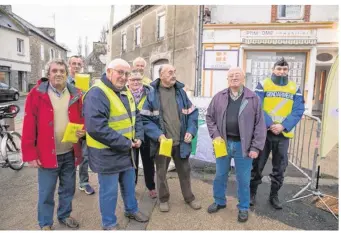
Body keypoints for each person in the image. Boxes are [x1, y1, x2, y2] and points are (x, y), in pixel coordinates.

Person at [83, 58, 149, 230]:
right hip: (107, 153)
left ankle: (131, 210)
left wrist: (139, 137)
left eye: (126, 73)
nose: (124, 76)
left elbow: (136, 117)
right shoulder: (97, 93)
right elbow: (96, 128)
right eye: (120, 72)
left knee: (129, 185)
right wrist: (126, 143)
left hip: (126, 150)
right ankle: (109, 223)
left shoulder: (125, 91)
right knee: (109, 192)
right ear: (109, 72)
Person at [22, 59, 84, 230]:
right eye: (54, 70)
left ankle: (64, 215)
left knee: (68, 189)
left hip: (70, 152)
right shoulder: (36, 94)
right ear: (48, 74)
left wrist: (83, 130)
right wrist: (30, 155)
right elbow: (28, 125)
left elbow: (82, 118)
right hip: (47, 154)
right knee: (46, 192)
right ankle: (45, 223)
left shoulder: (76, 94)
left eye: (61, 71)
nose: (58, 74)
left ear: (66, 74)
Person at [206, 67, 266, 222]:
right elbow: (209, 118)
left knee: (243, 178)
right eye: (231, 75)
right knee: (220, 175)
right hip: (223, 144)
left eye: (237, 75)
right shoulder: (219, 97)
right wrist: (216, 135)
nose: (234, 78)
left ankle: (244, 207)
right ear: (227, 79)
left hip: (243, 146)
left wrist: (255, 147)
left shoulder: (253, 98)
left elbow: (259, 125)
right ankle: (219, 201)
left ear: (243, 78)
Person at [140, 64, 201, 212]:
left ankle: (189, 198)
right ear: (161, 76)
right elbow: (144, 119)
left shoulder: (180, 92)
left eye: (174, 72)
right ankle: (163, 199)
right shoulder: (151, 93)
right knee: (161, 173)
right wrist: (158, 135)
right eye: (169, 72)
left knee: (185, 171)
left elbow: (193, 113)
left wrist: (191, 131)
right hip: (162, 143)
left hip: (181, 141)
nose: (173, 75)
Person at [250, 58, 305, 209]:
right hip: (265, 132)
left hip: (283, 134)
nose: (282, 72)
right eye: (279, 69)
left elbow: (298, 110)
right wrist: (270, 124)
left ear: (288, 71)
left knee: (280, 168)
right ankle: (251, 193)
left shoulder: (295, 87)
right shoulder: (264, 84)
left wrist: (283, 126)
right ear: (273, 70)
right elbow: (257, 106)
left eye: (285, 69)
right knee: (257, 165)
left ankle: (273, 196)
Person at [67, 55, 95, 195]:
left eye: (79, 63)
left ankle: (84, 182)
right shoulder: (65, 83)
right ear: (69, 65)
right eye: (74, 63)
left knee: (85, 155)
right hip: (70, 123)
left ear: (82, 65)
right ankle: (69, 184)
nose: (76, 66)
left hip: (84, 122)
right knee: (70, 155)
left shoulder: (86, 83)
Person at [127, 70, 157, 198]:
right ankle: (131, 186)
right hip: (131, 134)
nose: (136, 82)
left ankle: (151, 186)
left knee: (148, 162)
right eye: (133, 80)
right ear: (128, 81)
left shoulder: (149, 92)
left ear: (142, 80)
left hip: (147, 133)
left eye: (138, 79)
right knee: (132, 162)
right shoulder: (124, 93)